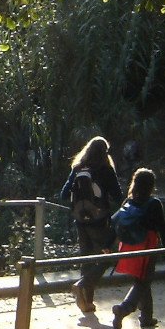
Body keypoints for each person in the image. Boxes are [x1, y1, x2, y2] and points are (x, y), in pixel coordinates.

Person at [57, 135, 123, 316]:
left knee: (85, 258)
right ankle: (82, 285)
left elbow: (63, 194)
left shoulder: (78, 168)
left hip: (80, 221)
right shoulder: (106, 170)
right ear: (105, 153)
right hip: (100, 221)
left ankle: (87, 302)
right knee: (106, 257)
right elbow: (118, 196)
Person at [108, 167, 165, 329]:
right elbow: (163, 228)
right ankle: (123, 309)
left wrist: (108, 245)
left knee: (144, 280)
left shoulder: (128, 202)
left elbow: (114, 223)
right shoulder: (154, 203)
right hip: (146, 245)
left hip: (128, 245)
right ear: (151, 185)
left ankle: (146, 317)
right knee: (143, 281)